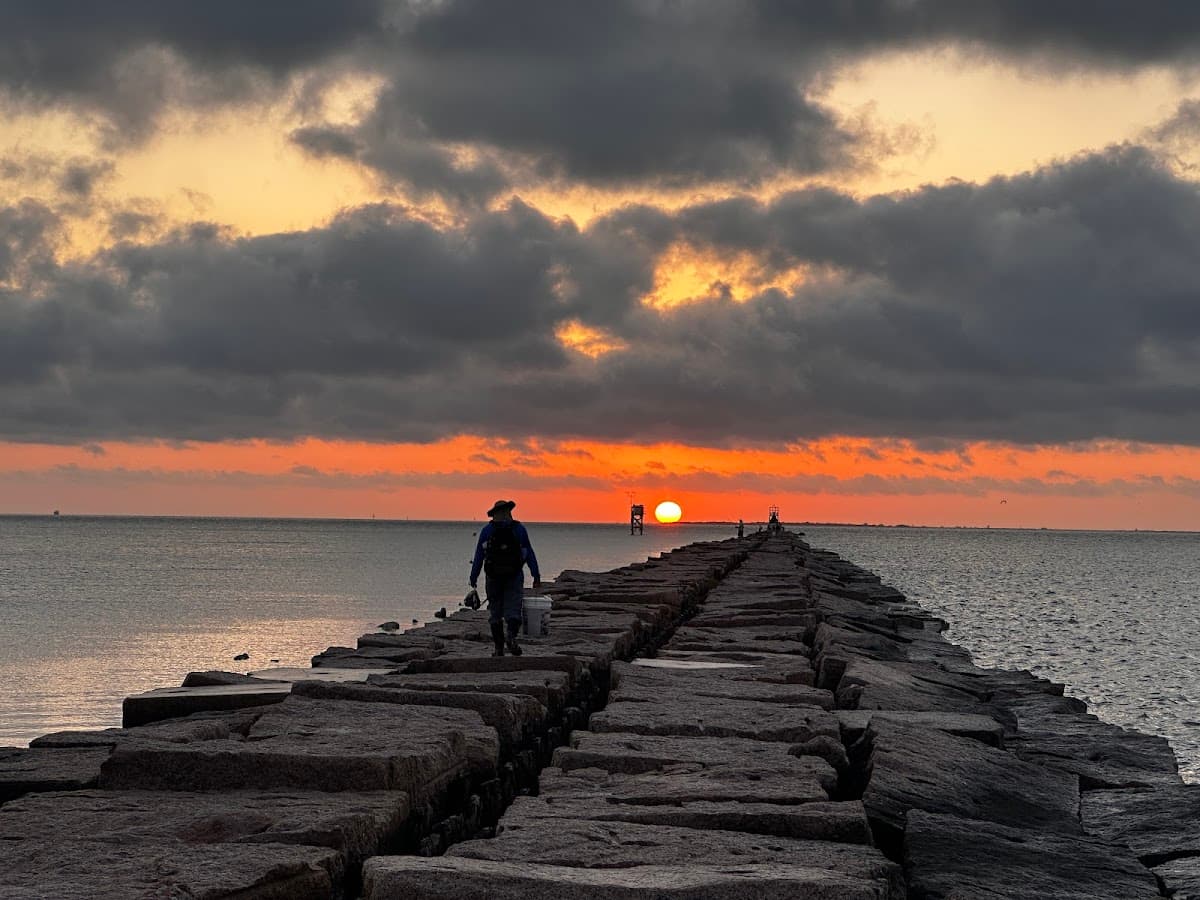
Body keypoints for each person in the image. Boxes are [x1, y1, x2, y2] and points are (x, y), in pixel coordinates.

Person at [469, 499, 541, 657]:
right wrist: (535, 575)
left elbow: (479, 556)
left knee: (495, 612)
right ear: (509, 512)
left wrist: (473, 577)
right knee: (513, 608)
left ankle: (498, 648)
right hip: (514, 575)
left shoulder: (487, 531)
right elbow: (528, 552)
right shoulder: (519, 529)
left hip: (493, 577)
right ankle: (511, 636)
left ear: (493, 515)